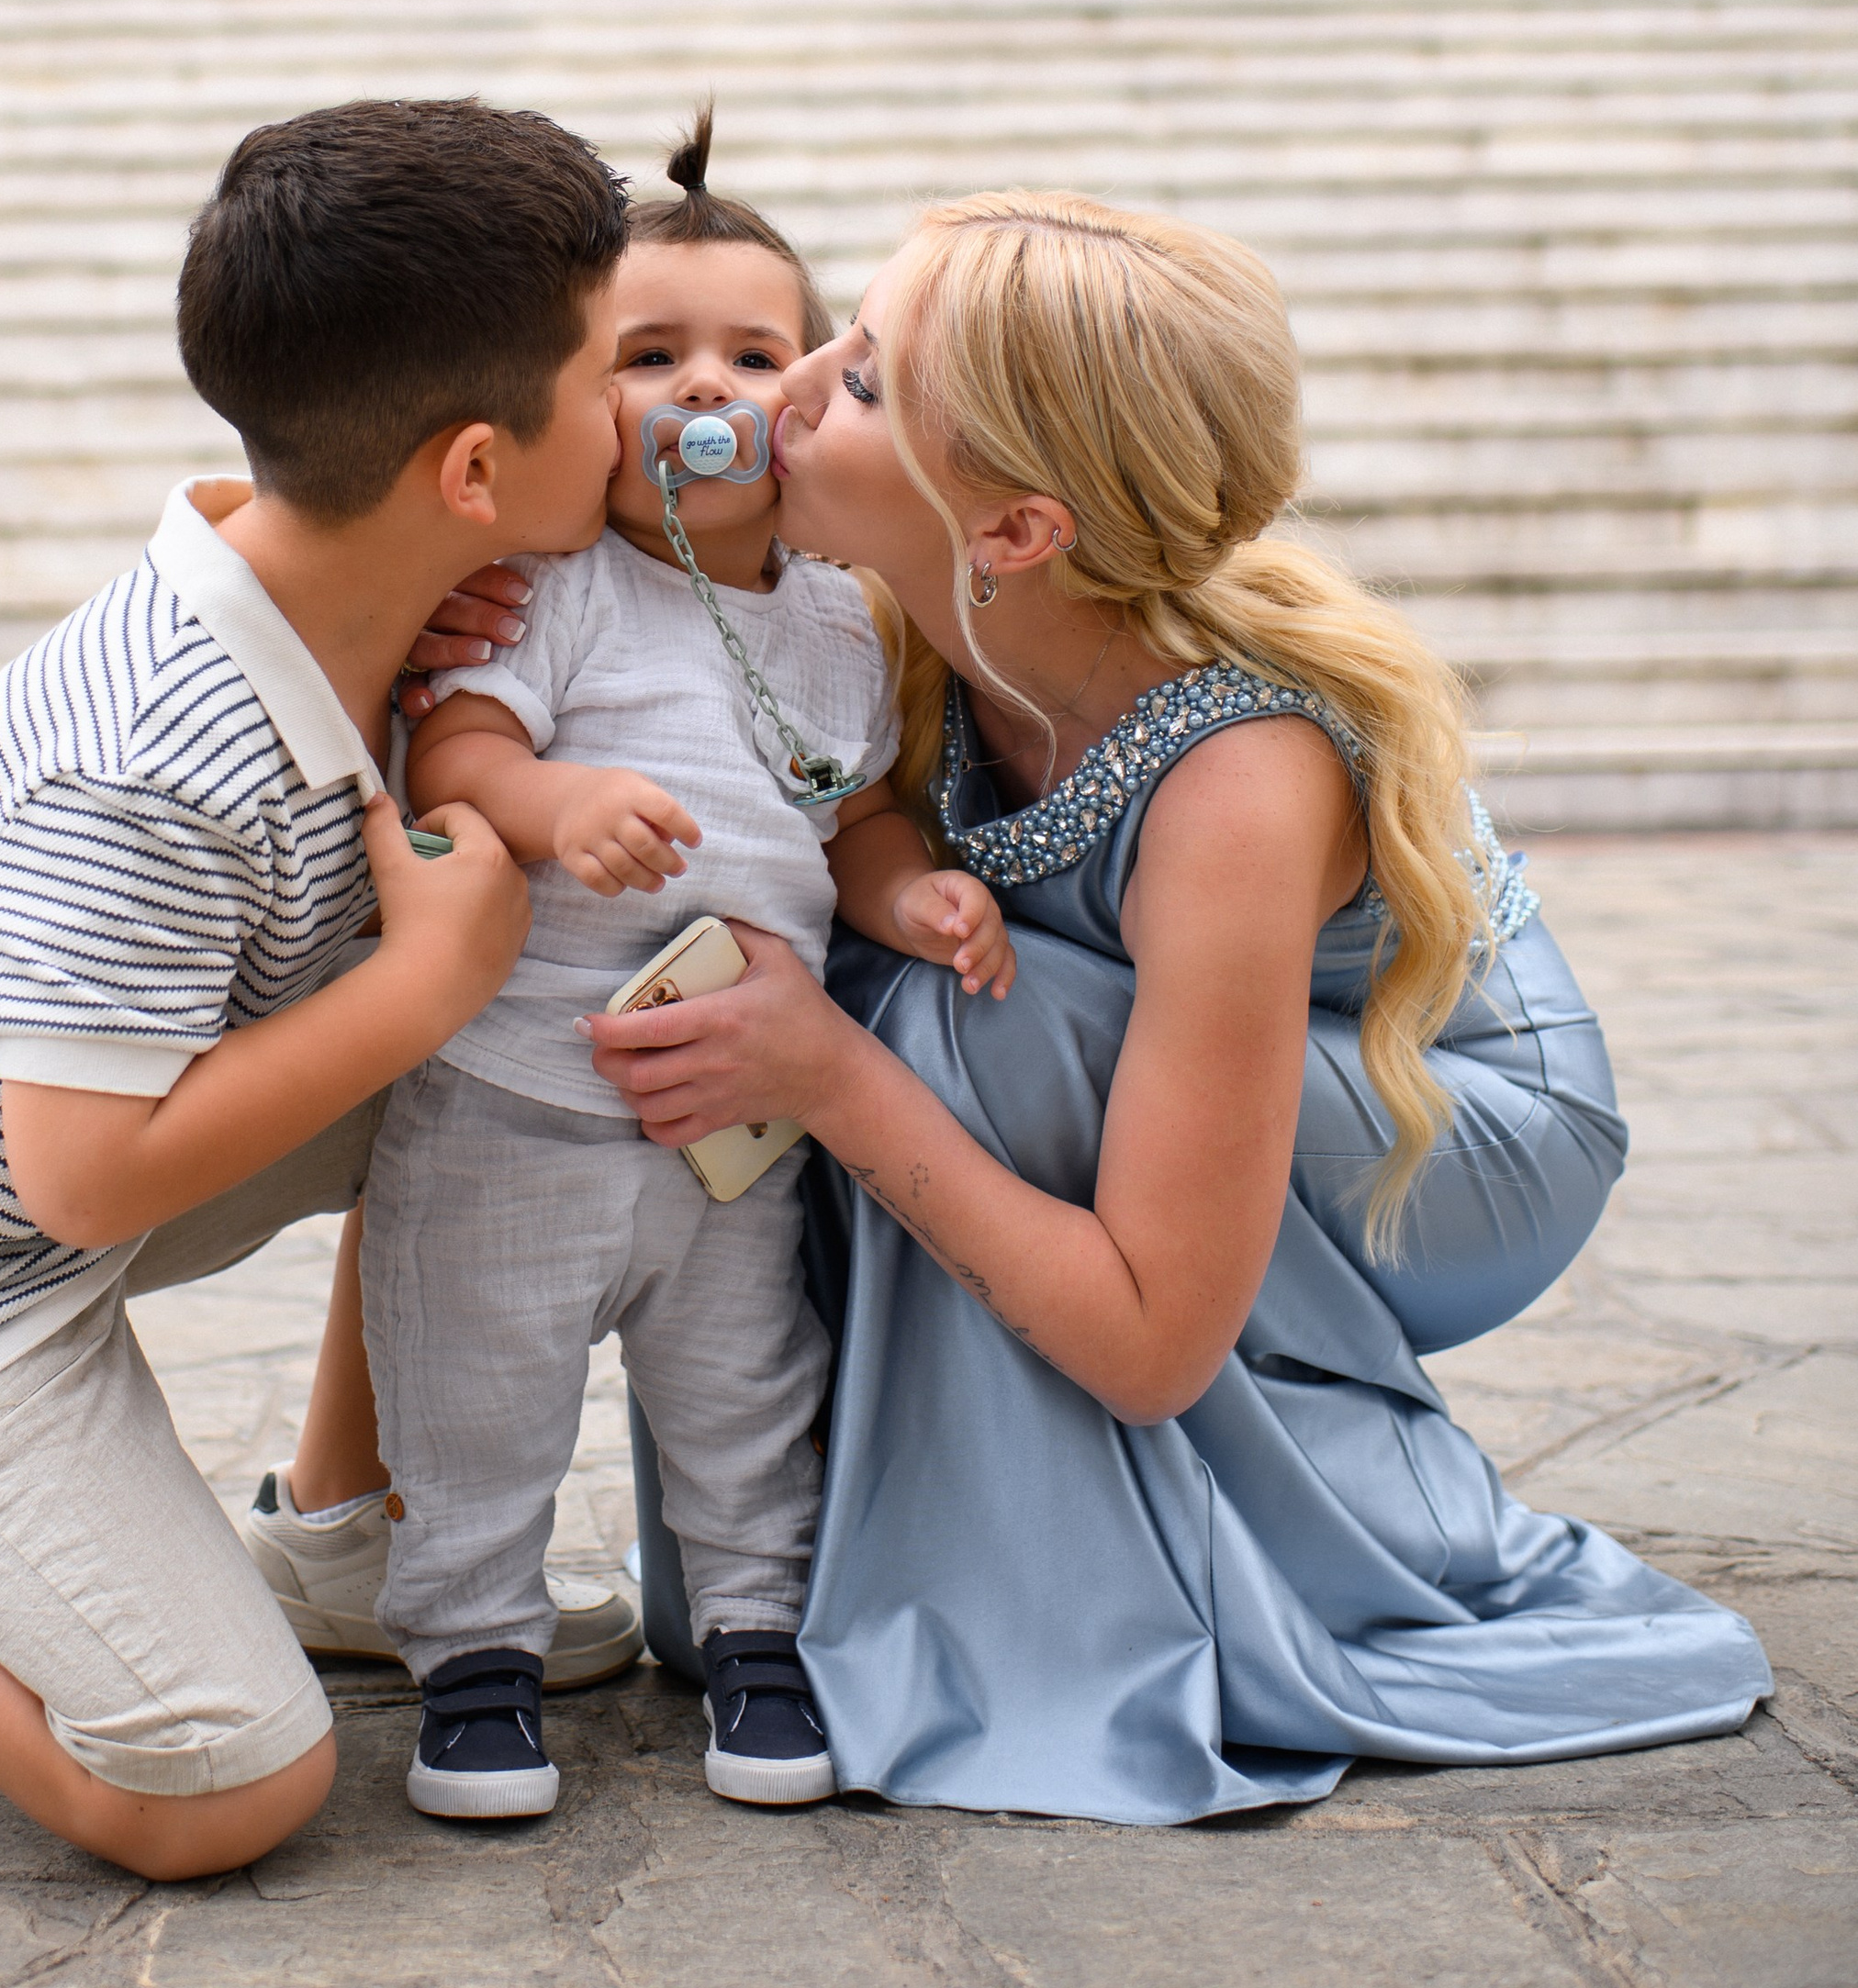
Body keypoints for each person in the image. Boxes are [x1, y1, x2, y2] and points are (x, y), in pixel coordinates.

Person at [576, 191, 1773, 1821]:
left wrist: (833, 1076)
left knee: (965, 1015)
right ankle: (827, 1536)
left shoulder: (1236, 779)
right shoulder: (885, 613)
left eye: (860, 382)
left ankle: (1050, 1594)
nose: (791, 385)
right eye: (846, 335)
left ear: (1016, 533)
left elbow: (1149, 1348)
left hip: (1457, 1121)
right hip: (1175, 1041)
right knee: (882, 956)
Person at [0, 100, 634, 1881]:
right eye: (613, 372)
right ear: (468, 464)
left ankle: (344, 1522)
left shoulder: (369, 587)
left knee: (506, 1060)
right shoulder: (148, 761)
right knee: (218, 1785)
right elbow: (81, 1173)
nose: (642, 412)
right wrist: (422, 986)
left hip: (19, 1185)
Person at [370, 119, 1013, 1820]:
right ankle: (476, 1665)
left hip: (730, 1121)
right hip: (516, 1096)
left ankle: (756, 1637)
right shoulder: (559, 587)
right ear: (580, 402)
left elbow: (855, 809)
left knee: (746, 1393)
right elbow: (458, 761)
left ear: (804, 391)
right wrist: (552, 801)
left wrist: (909, 899)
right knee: (477, 1398)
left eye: (749, 351)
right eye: (647, 358)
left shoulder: (837, 618)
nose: (704, 388)